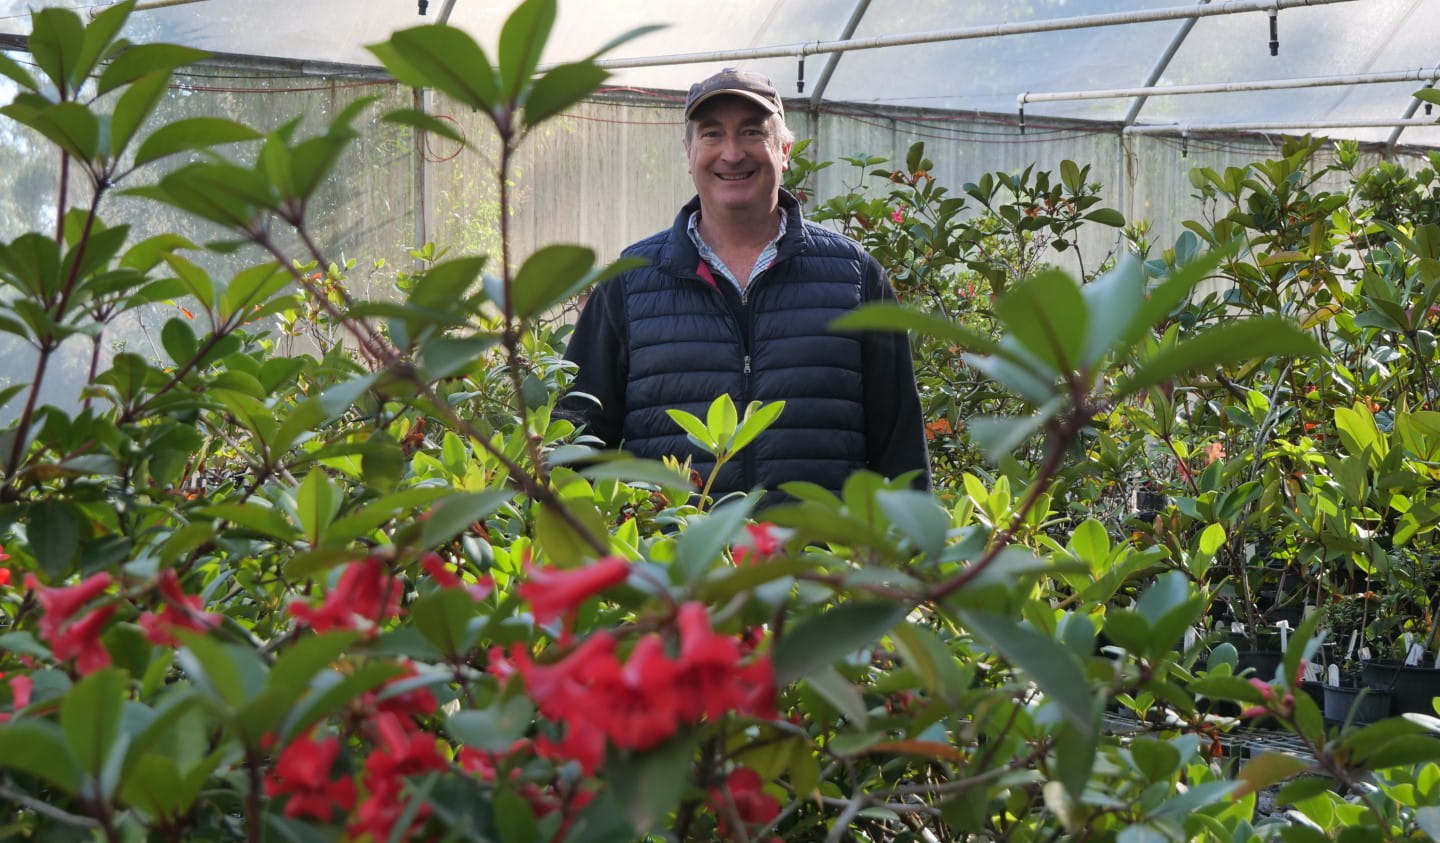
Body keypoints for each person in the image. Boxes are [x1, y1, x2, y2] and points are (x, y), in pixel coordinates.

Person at [558, 68, 929, 502]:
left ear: (785, 150)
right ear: (689, 152)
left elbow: (900, 447)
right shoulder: (630, 281)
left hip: (820, 563)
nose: (732, 154)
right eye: (712, 135)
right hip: (677, 563)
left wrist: (913, 556)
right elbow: (577, 441)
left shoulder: (854, 276)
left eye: (753, 132)